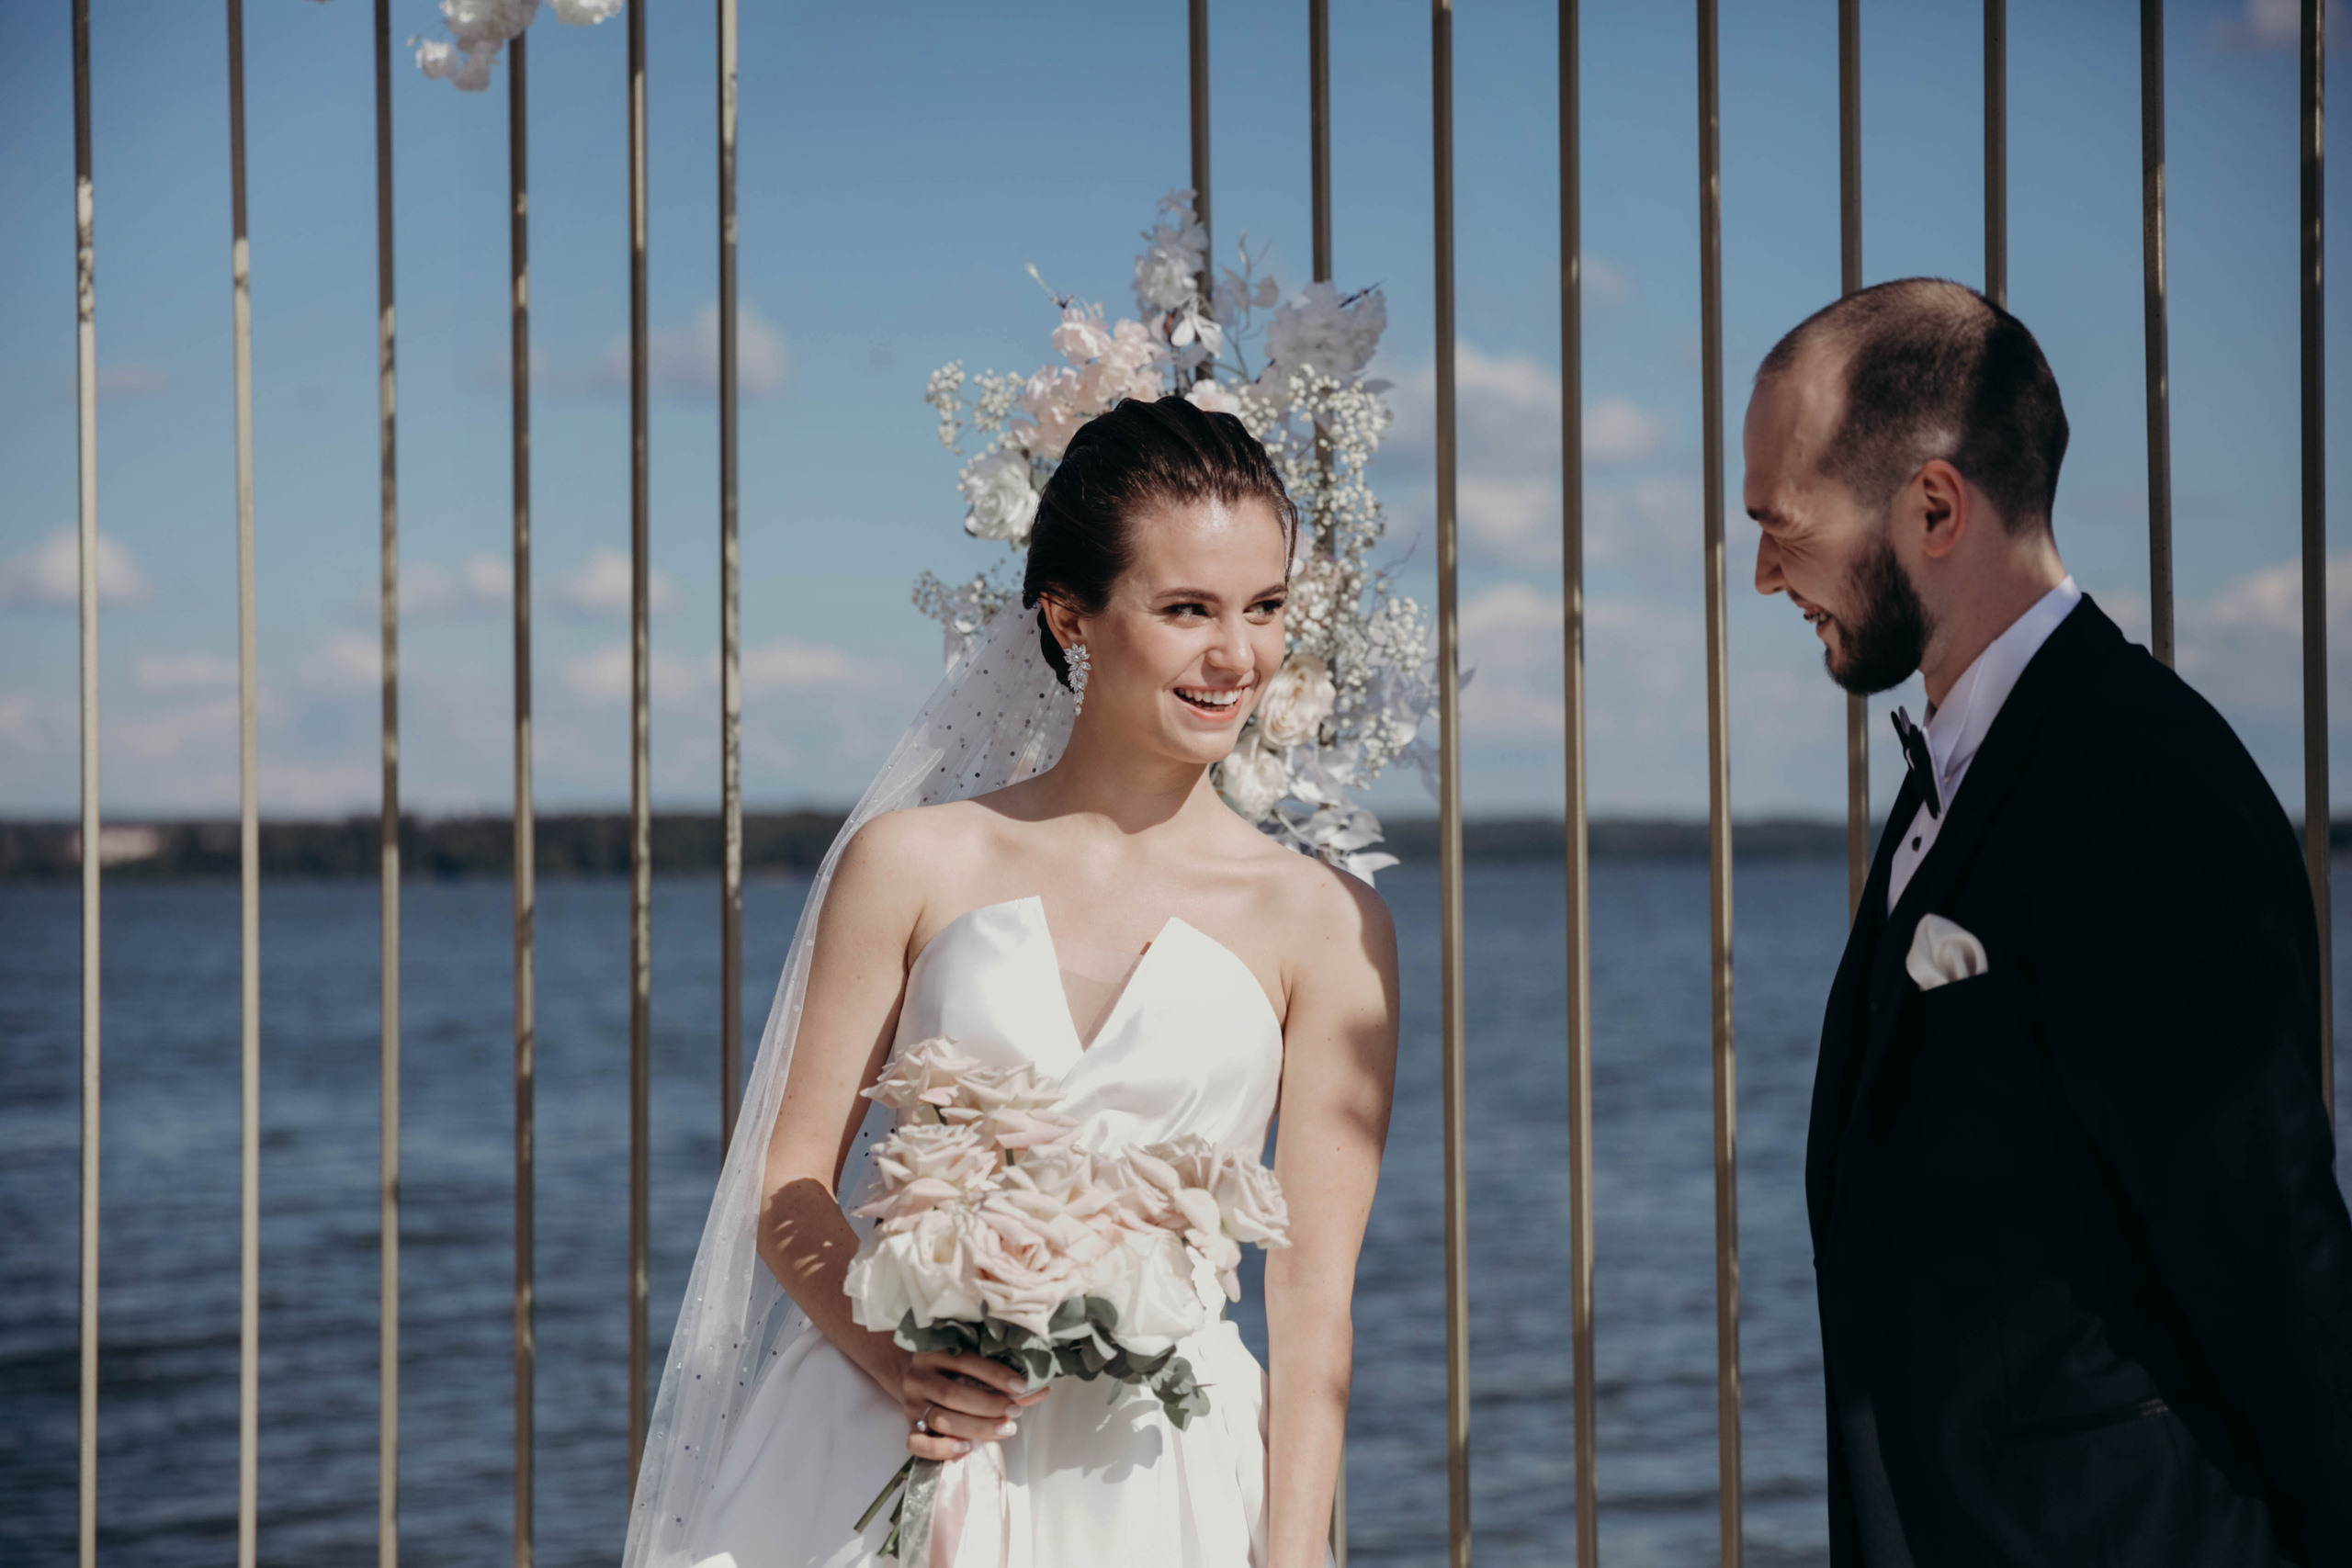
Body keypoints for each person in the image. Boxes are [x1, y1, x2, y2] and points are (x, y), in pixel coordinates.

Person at [624, 395, 1399, 1568]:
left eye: (1266, 607)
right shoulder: (914, 863)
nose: (1237, 655)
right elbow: (787, 1183)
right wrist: (898, 1358)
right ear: (1069, 615)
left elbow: (1312, 1304)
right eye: (1187, 609)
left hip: (1158, 1482)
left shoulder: (1328, 924)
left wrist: (1293, 1557)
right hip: (885, 1441)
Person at [1746, 277, 2352, 1565]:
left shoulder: (2140, 784)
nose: (1762, 576)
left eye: (1781, 526)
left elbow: (2270, 1258)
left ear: (1933, 506)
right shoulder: (1969, 764)